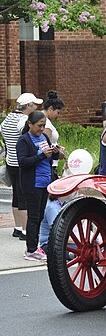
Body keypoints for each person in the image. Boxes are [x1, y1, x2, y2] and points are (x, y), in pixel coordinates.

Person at [16, 110, 60, 261]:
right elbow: (23, 162)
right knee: (33, 217)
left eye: (43, 126)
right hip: (32, 183)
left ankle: (36, 246)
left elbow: (50, 157)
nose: (41, 129)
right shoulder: (24, 140)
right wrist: (42, 155)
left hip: (45, 182)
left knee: (40, 216)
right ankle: (31, 249)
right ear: (30, 124)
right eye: (39, 126)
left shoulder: (44, 137)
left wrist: (55, 152)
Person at [0, 93, 43, 241]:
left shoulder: (7, 119)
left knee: (16, 195)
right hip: (22, 163)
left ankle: (17, 227)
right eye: (34, 104)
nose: (36, 107)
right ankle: (26, 230)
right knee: (25, 195)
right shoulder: (24, 120)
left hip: (10, 161)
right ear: (28, 106)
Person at [42, 90, 66, 179]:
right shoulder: (46, 124)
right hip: (49, 165)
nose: (58, 116)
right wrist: (59, 153)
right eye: (58, 112)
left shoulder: (43, 120)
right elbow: (46, 147)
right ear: (51, 108)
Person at [36, 194, 64, 261]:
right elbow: (58, 232)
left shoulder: (62, 205)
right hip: (48, 244)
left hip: (61, 242)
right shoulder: (52, 208)